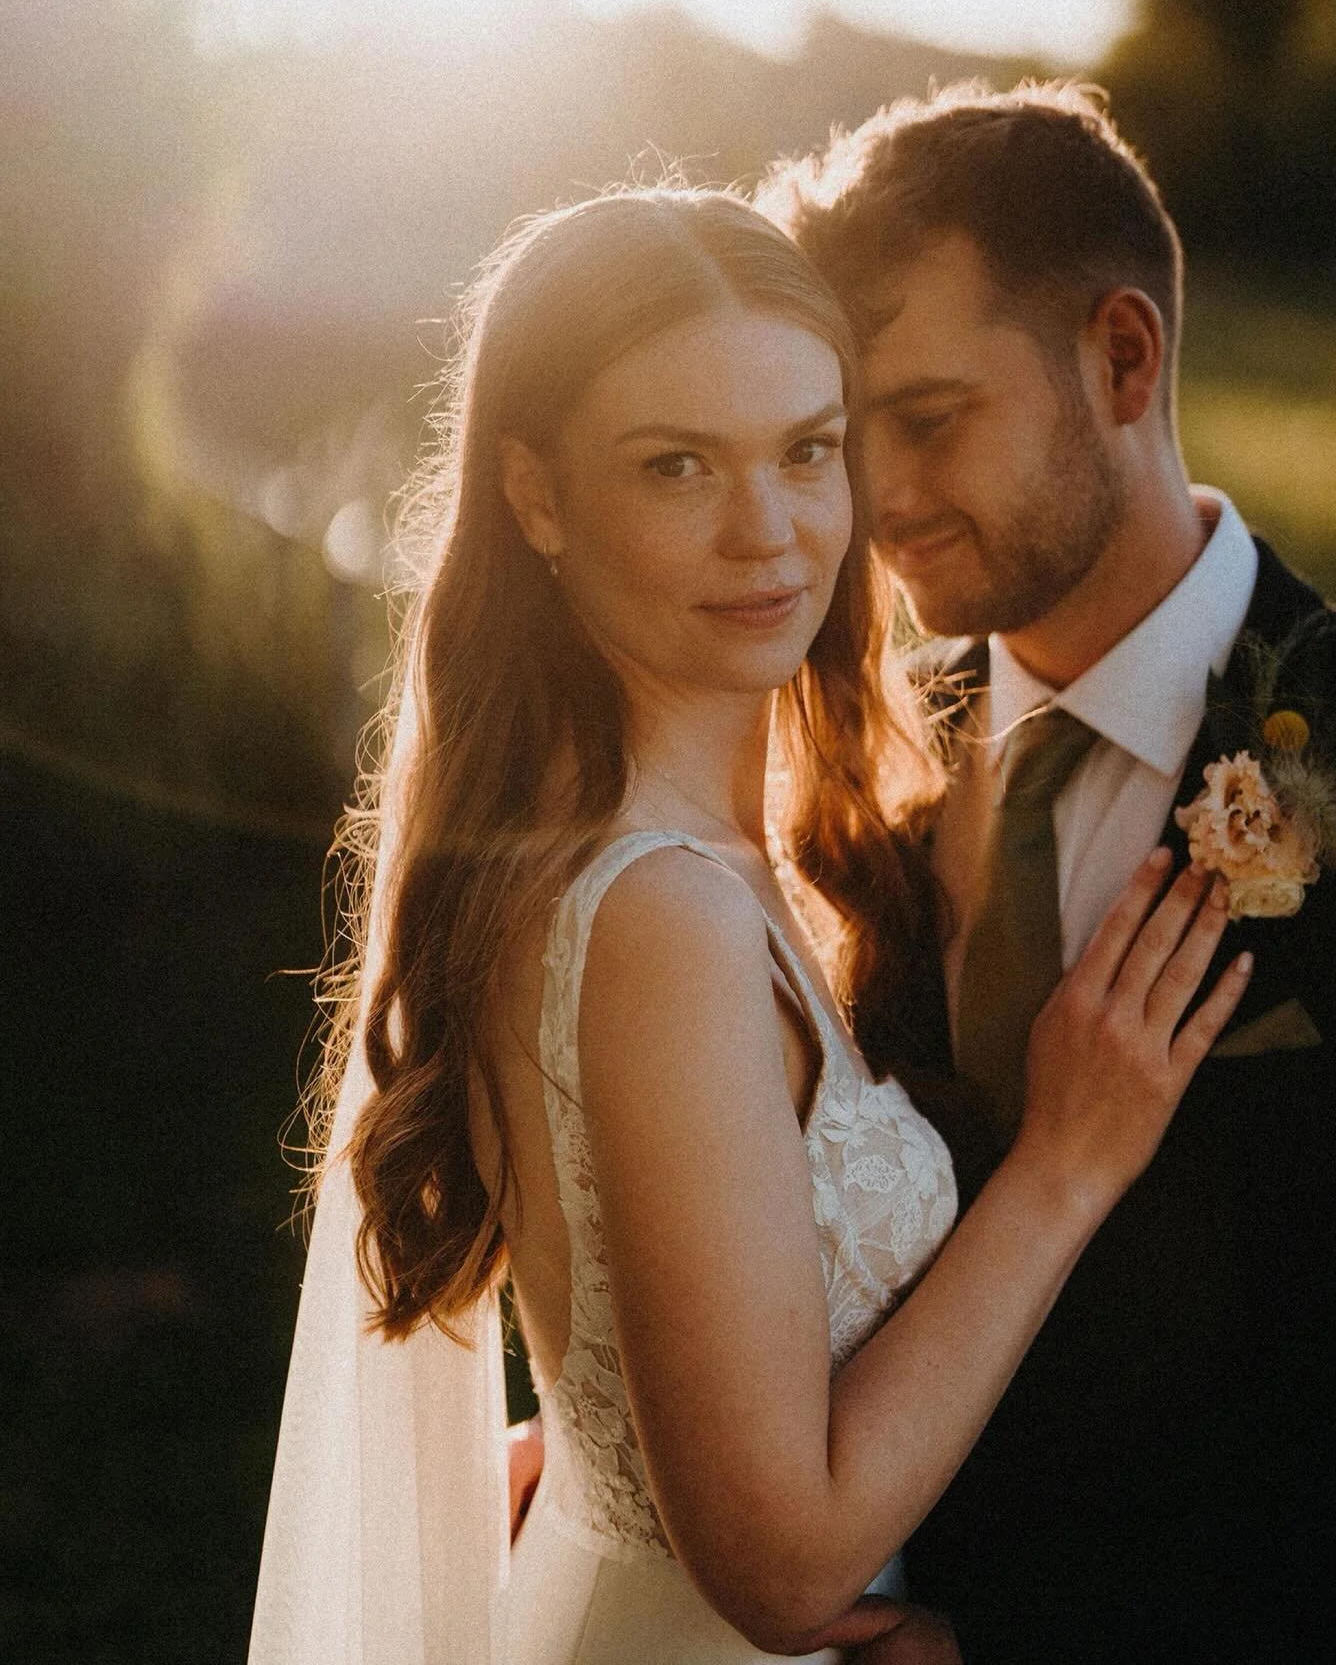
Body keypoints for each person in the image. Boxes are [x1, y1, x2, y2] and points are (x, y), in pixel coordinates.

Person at [247, 186, 1252, 1665]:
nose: (768, 533)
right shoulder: (660, 914)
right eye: (676, 468)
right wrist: (1064, 1166)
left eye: (807, 451)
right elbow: (779, 1568)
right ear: (535, 498)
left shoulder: (706, 847)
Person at [761, 81, 1336, 1662]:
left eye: (927, 422)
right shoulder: (861, 753)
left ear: (1122, 357)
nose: (881, 503)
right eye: (848, 440)